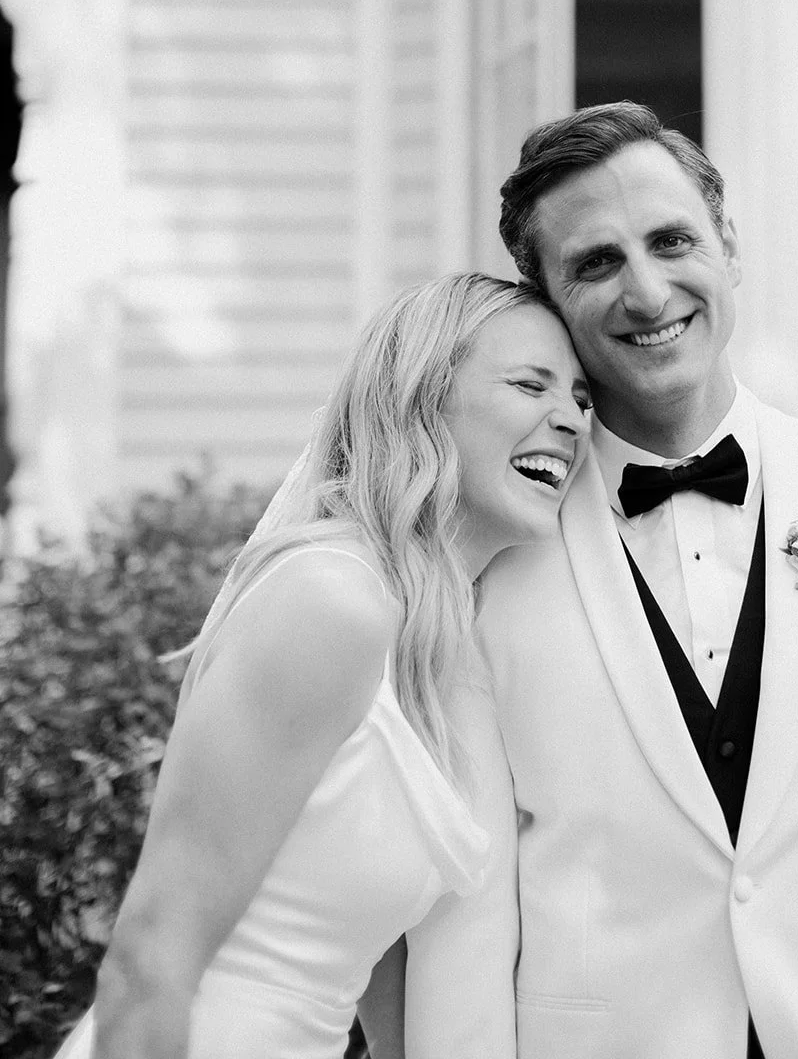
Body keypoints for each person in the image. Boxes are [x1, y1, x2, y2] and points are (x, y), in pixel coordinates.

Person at [404, 102, 798, 1059]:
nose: (648, 292)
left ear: (727, 246)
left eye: (670, 241)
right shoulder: (490, 551)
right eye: (596, 262)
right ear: (547, 300)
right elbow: (469, 899)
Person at [53, 272, 590, 1059]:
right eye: (528, 385)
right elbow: (148, 960)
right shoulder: (330, 600)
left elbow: (358, 957)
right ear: (421, 399)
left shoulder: (426, 647)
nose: (571, 419)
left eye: (581, 398)